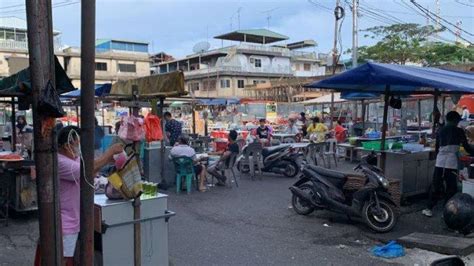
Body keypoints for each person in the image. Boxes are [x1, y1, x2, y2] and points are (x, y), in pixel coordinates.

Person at [55, 126, 123, 265]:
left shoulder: (73, 158)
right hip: (64, 223)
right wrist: (109, 152)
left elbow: (88, 174)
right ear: (67, 145)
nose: (79, 147)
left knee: (69, 259)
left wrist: (107, 160)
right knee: (61, 260)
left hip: (73, 219)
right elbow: (84, 171)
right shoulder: (60, 161)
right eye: (77, 143)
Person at [422, 111, 474, 217]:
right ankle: (447, 210)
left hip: (440, 161)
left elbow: (437, 147)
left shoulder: (441, 130)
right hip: (451, 162)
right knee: (451, 187)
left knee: (436, 184)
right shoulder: (459, 131)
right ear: (455, 120)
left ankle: (429, 208)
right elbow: (467, 147)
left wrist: (438, 156)